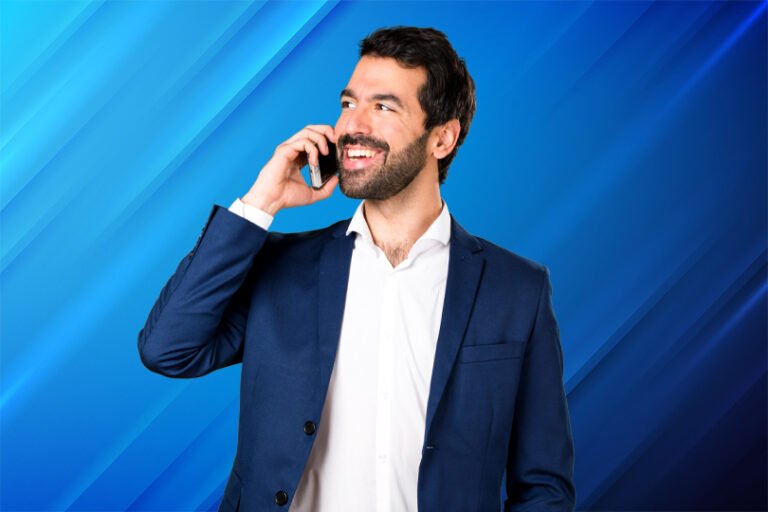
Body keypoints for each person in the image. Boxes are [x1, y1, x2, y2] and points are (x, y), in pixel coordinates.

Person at [138, 26, 575, 512]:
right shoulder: (282, 268)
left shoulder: (517, 289)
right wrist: (261, 202)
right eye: (348, 103)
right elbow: (168, 350)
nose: (352, 126)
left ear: (443, 138)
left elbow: (543, 486)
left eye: (383, 107)